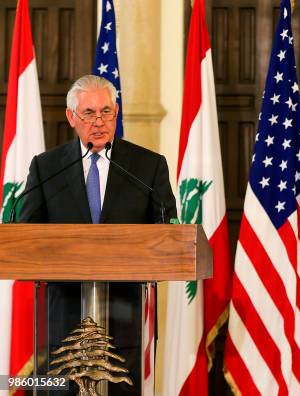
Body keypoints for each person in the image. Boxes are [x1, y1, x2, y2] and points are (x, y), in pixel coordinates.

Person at [19, 74, 177, 395]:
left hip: (126, 317)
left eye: (106, 112)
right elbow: (26, 234)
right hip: (65, 317)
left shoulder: (148, 166)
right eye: (89, 113)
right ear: (71, 117)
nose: (99, 122)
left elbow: (166, 231)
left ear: (116, 113)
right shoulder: (47, 168)